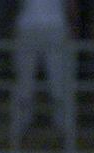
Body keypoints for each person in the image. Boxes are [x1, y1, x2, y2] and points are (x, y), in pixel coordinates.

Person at [11, 0, 78, 138]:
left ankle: (20, 126)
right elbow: (72, 4)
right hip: (54, 25)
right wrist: (73, 25)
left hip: (30, 24)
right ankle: (63, 127)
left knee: (25, 82)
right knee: (59, 81)